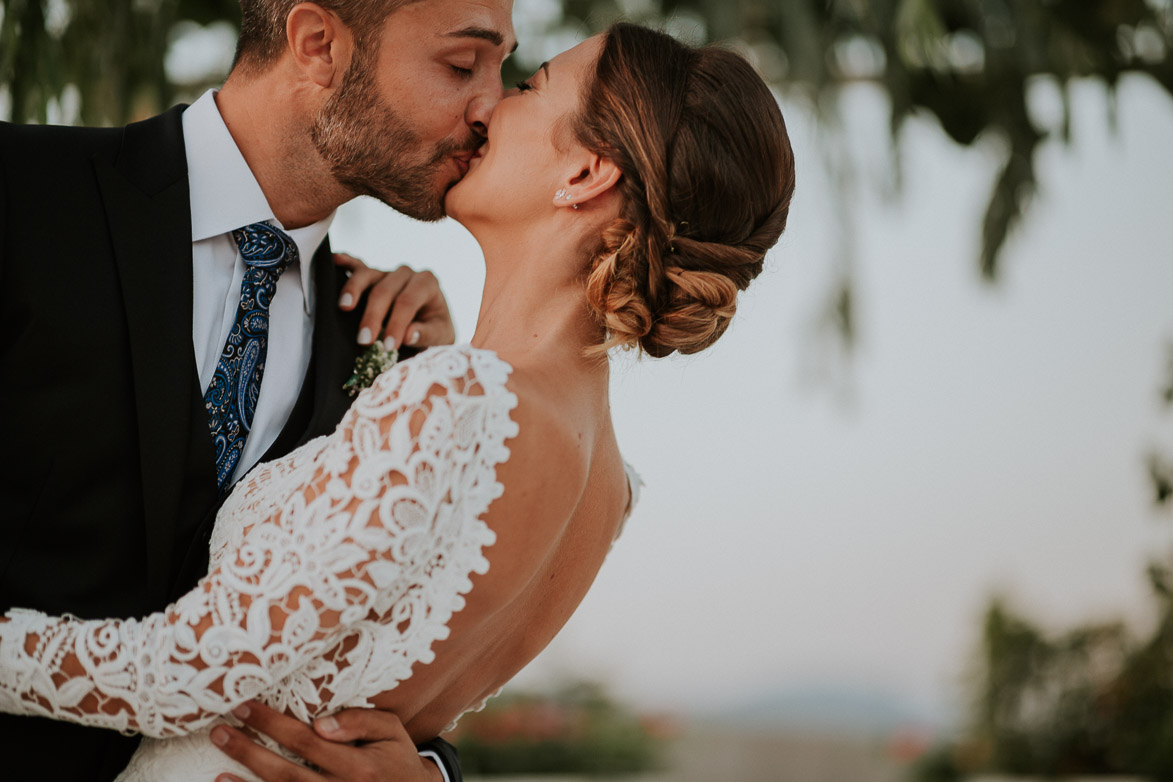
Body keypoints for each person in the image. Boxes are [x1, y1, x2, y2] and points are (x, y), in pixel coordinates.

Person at [0, 21, 796, 782]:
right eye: (464, 68)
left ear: (586, 175)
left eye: (526, 83)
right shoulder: (607, 488)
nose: (488, 106)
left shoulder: (451, 400)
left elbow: (183, 676)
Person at [0, 0, 518, 779]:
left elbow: (382, 649)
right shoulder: (20, 189)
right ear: (317, 45)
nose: (492, 108)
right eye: (461, 65)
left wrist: (424, 772)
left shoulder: (393, 353)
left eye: (502, 69)